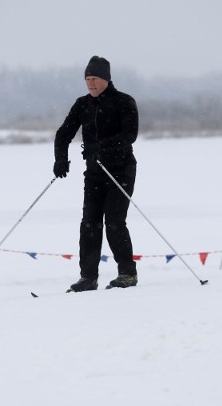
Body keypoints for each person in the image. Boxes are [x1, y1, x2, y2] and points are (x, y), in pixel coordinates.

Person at [53, 56, 139, 292]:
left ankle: (127, 274)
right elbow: (64, 133)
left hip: (121, 171)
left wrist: (101, 147)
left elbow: (130, 135)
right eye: (87, 79)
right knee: (89, 224)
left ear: (106, 79)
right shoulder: (82, 104)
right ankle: (88, 277)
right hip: (94, 173)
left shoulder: (124, 102)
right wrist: (60, 158)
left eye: (95, 79)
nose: (90, 83)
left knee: (114, 222)